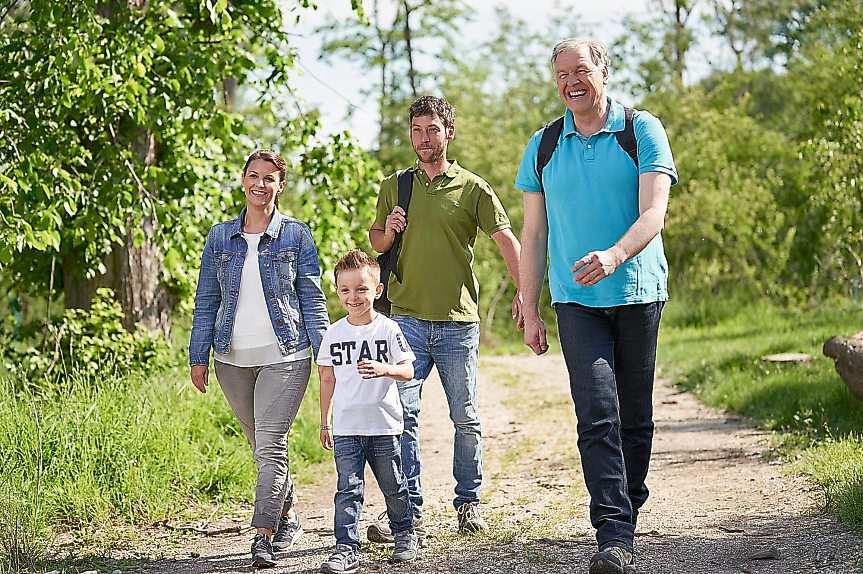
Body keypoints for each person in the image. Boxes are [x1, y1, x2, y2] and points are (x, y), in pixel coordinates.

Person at [515, 38, 677, 574]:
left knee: (634, 411)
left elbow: (654, 214)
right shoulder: (542, 146)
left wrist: (614, 255)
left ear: (603, 71)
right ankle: (613, 530)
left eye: (580, 70)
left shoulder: (641, 130)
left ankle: (626, 506)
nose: (571, 82)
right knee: (596, 408)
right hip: (576, 300)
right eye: (561, 74)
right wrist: (530, 304)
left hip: (637, 292)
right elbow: (533, 234)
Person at [368, 95, 522, 537]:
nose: (423, 139)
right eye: (417, 131)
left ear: (448, 133)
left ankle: (468, 503)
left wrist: (524, 293)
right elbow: (376, 243)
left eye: (432, 130)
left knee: (466, 417)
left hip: (458, 322)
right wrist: (388, 229)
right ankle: (408, 508)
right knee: (403, 414)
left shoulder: (473, 187)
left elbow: (507, 240)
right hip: (406, 320)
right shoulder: (395, 185)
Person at [188, 149, 330, 568]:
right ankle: (288, 517)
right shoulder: (219, 237)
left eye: (270, 178)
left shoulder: (296, 236)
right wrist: (198, 355)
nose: (260, 184)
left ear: (280, 185)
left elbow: (311, 297)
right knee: (261, 447)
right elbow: (206, 300)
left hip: (286, 355)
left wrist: (325, 353)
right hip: (230, 359)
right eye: (254, 176)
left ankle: (262, 536)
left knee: (271, 444)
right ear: (243, 180)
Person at [317, 249, 419, 573]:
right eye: (346, 289)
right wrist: (324, 422)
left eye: (362, 289)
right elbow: (326, 378)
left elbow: (408, 371)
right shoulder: (333, 333)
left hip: (384, 427)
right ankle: (346, 548)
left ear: (377, 290)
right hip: (346, 428)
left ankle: (404, 534)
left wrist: (384, 368)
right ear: (337, 291)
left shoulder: (388, 330)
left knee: (394, 485)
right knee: (348, 489)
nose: (354, 296)